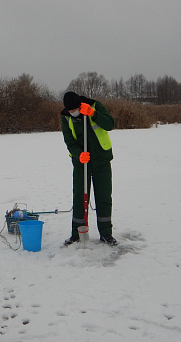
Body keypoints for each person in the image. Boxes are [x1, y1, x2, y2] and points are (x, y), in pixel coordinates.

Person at [60, 91, 117, 246]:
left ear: (80, 105)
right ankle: (77, 234)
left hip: (101, 160)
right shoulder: (65, 117)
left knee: (104, 197)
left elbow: (110, 124)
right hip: (81, 164)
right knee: (80, 198)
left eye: (75, 110)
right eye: (70, 111)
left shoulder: (95, 106)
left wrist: (93, 114)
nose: (73, 113)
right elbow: (69, 141)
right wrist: (78, 155)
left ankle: (106, 234)